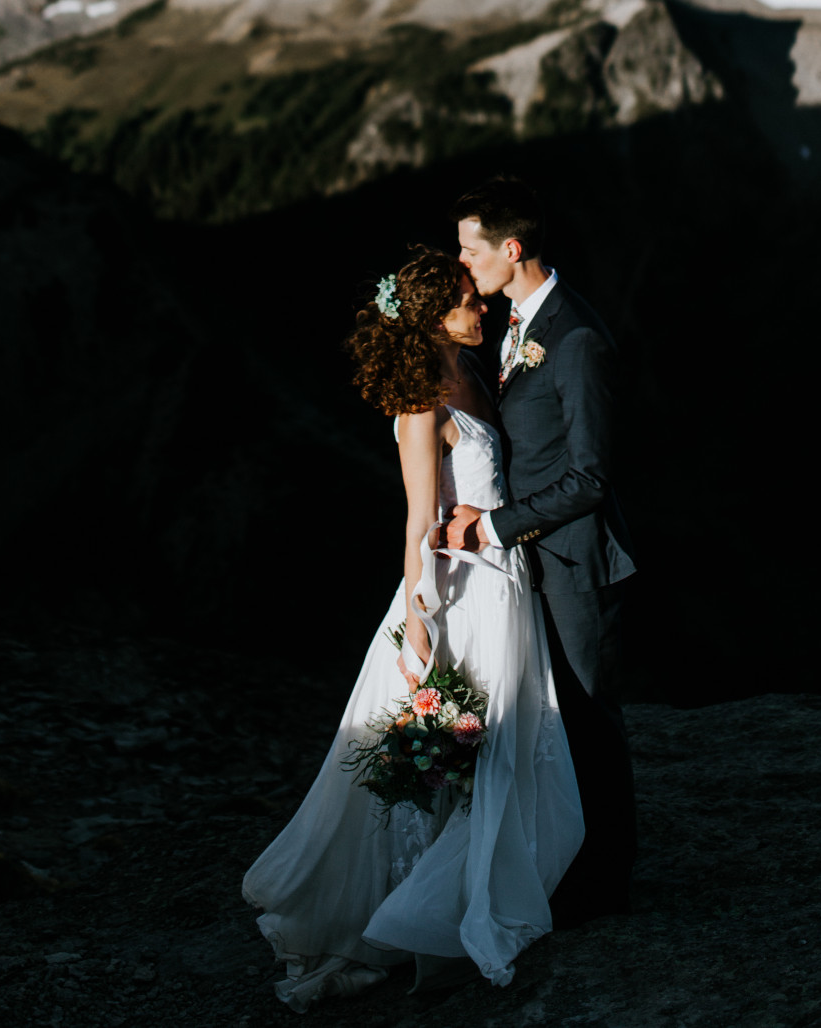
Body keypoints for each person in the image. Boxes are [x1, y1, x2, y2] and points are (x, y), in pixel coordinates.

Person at [243, 246, 583, 1012]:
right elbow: (416, 521)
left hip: (501, 590)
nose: (482, 309)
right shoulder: (420, 403)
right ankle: (419, 916)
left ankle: (448, 900)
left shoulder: (473, 375)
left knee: (489, 756)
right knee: (459, 760)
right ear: (434, 317)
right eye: (467, 300)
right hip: (461, 599)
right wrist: (419, 621)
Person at [446, 176, 637, 924]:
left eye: (471, 248)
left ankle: (608, 882)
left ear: (511, 248)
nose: (465, 264)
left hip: (575, 561)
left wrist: (493, 527)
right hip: (536, 557)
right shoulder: (517, 324)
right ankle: (566, 860)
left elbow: (591, 476)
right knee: (556, 719)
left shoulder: (577, 338)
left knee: (590, 718)